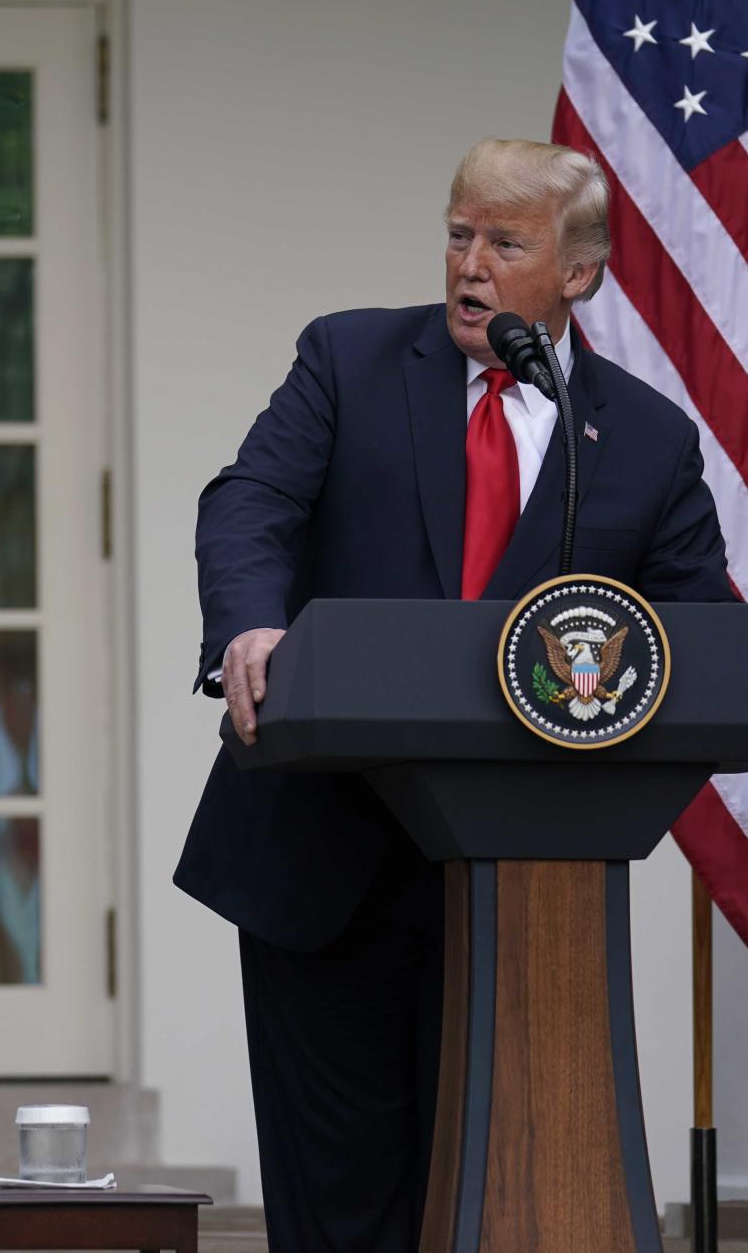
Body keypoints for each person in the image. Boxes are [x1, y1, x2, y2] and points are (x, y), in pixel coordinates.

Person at [178, 138, 731, 1250]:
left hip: (529, 892)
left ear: (575, 274)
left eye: (504, 242)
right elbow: (250, 503)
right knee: (342, 1208)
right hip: (321, 859)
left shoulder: (645, 441)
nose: (467, 265)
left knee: (502, 1198)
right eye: (456, 233)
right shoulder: (347, 358)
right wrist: (248, 621)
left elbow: (700, 643)